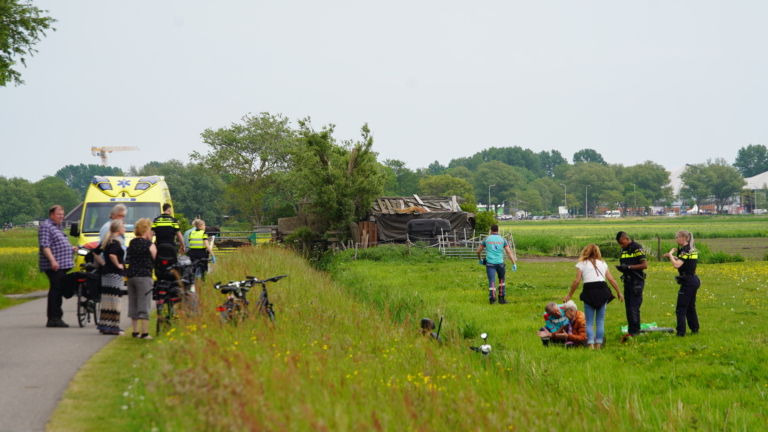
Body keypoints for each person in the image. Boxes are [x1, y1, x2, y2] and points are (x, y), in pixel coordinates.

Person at [563, 244, 623, 349]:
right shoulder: (603, 263)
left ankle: (590, 345)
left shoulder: (581, 264)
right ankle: (599, 345)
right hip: (602, 291)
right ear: (598, 252)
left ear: (585, 251)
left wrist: (569, 295)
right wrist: (619, 292)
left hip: (589, 292)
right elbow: (611, 279)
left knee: (589, 322)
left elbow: (577, 281)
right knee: (600, 321)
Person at [38, 205, 78, 328]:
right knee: (57, 289)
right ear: (52, 215)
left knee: (57, 289)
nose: (61, 216)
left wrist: (70, 249)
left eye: (62, 214)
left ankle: (54, 317)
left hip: (62, 264)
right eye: (58, 214)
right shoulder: (46, 227)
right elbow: (45, 246)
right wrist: (53, 261)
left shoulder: (57, 227)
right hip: (54, 265)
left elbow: (57, 245)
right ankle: (54, 318)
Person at [664, 230, 700, 337]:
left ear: (683, 238)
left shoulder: (685, 250)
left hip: (688, 282)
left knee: (680, 309)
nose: (676, 239)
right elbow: (686, 262)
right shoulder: (690, 249)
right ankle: (695, 329)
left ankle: (680, 333)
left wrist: (671, 254)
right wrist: (674, 257)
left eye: (677, 237)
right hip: (694, 280)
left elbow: (676, 265)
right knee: (690, 307)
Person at [126, 218, 156, 339]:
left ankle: (135, 331)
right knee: (144, 303)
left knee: (133, 303)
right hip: (144, 276)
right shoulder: (149, 244)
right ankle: (144, 333)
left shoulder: (132, 243)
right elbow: (156, 258)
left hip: (131, 276)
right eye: (150, 229)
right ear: (146, 229)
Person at [615, 231, 648, 339]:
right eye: (619, 244)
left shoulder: (637, 248)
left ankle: (635, 332)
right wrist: (622, 268)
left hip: (636, 282)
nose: (621, 245)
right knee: (628, 307)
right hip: (627, 281)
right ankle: (630, 330)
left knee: (634, 307)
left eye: (622, 242)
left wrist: (628, 267)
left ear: (627, 239)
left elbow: (644, 265)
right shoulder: (623, 250)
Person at [98, 219, 126, 335]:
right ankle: (114, 326)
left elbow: (94, 252)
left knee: (107, 300)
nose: (125, 229)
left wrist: (104, 264)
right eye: (123, 227)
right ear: (119, 229)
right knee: (115, 301)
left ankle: (105, 325)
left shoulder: (107, 240)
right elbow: (112, 254)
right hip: (114, 274)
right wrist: (118, 265)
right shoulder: (115, 241)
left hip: (106, 274)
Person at [476, 224, 517, 304]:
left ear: (490, 230)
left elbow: (478, 251)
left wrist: (480, 259)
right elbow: (509, 252)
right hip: (500, 263)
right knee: (502, 280)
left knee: (492, 280)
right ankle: (501, 299)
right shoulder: (502, 239)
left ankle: (492, 299)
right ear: (498, 230)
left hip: (490, 264)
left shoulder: (487, 239)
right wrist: (514, 263)